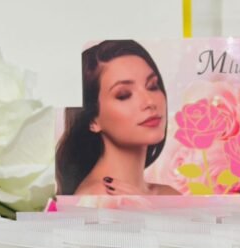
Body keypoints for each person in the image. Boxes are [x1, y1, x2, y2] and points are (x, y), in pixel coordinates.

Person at [56, 40, 179, 195]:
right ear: (93, 119)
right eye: (124, 95)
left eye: (152, 86)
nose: (149, 102)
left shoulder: (167, 194)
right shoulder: (96, 198)